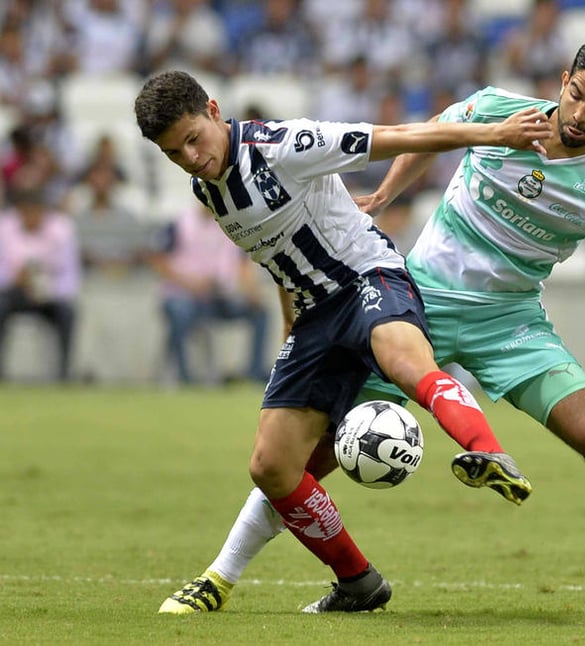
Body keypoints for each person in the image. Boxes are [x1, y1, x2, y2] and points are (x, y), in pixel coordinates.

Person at [156, 39, 585, 620]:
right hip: (418, 300)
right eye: (575, 95)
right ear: (562, 80)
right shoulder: (495, 111)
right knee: (303, 460)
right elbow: (429, 135)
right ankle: (221, 575)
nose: (579, 114)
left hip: (512, 323)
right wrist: (384, 194)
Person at [135, 70, 551, 613]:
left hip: (369, 279)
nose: (190, 157)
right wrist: (289, 323)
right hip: (313, 318)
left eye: (193, 139)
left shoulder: (285, 147)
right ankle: (358, 583)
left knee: (406, 364)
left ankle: (488, 452)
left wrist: (495, 136)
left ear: (214, 110)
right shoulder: (206, 187)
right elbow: (276, 255)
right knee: (272, 466)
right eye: (173, 153)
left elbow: (400, 135)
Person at [147, 203, 270, 385]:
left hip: (217, 296)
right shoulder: (180, 223)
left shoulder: (232, 225)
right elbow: (157, 260)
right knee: (181, 313)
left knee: (260, 313)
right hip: (182, 295)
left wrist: (251, 291)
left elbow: (242, 262)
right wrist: (190, 283)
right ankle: (184, 376)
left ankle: (254, 372)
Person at [0, 181, 80, 382]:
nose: (30, 218)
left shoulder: (62, 229)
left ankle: (64, 373)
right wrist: (14, 279)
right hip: (13, 292)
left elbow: (71, 276)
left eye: (35, 211)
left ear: (44, 210)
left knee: (67, 313)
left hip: (49, 295)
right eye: (24, 212)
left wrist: (47, 290)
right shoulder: (5, 227)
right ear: (18, 211)